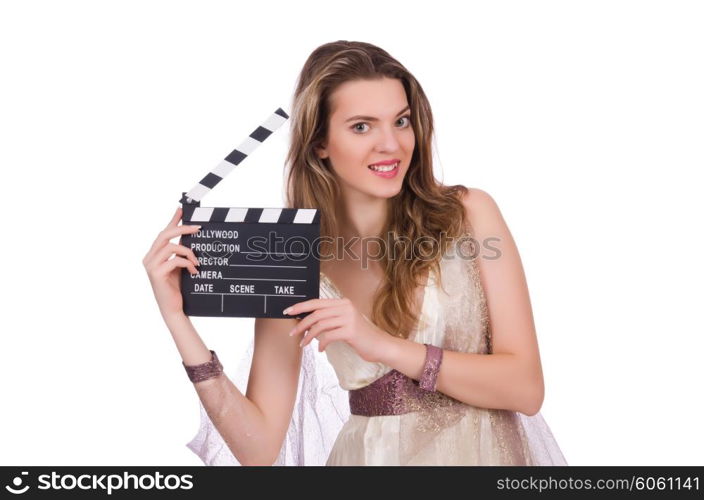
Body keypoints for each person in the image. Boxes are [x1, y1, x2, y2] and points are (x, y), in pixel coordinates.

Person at [143, 40, 567, 466]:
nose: (391, 144)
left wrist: (380, 345)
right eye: (362, 127)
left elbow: (526, 388)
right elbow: (259, 448)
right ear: (319, 144)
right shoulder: (288, 257)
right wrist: (178, 321)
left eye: (401, 121)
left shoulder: (470, 215)